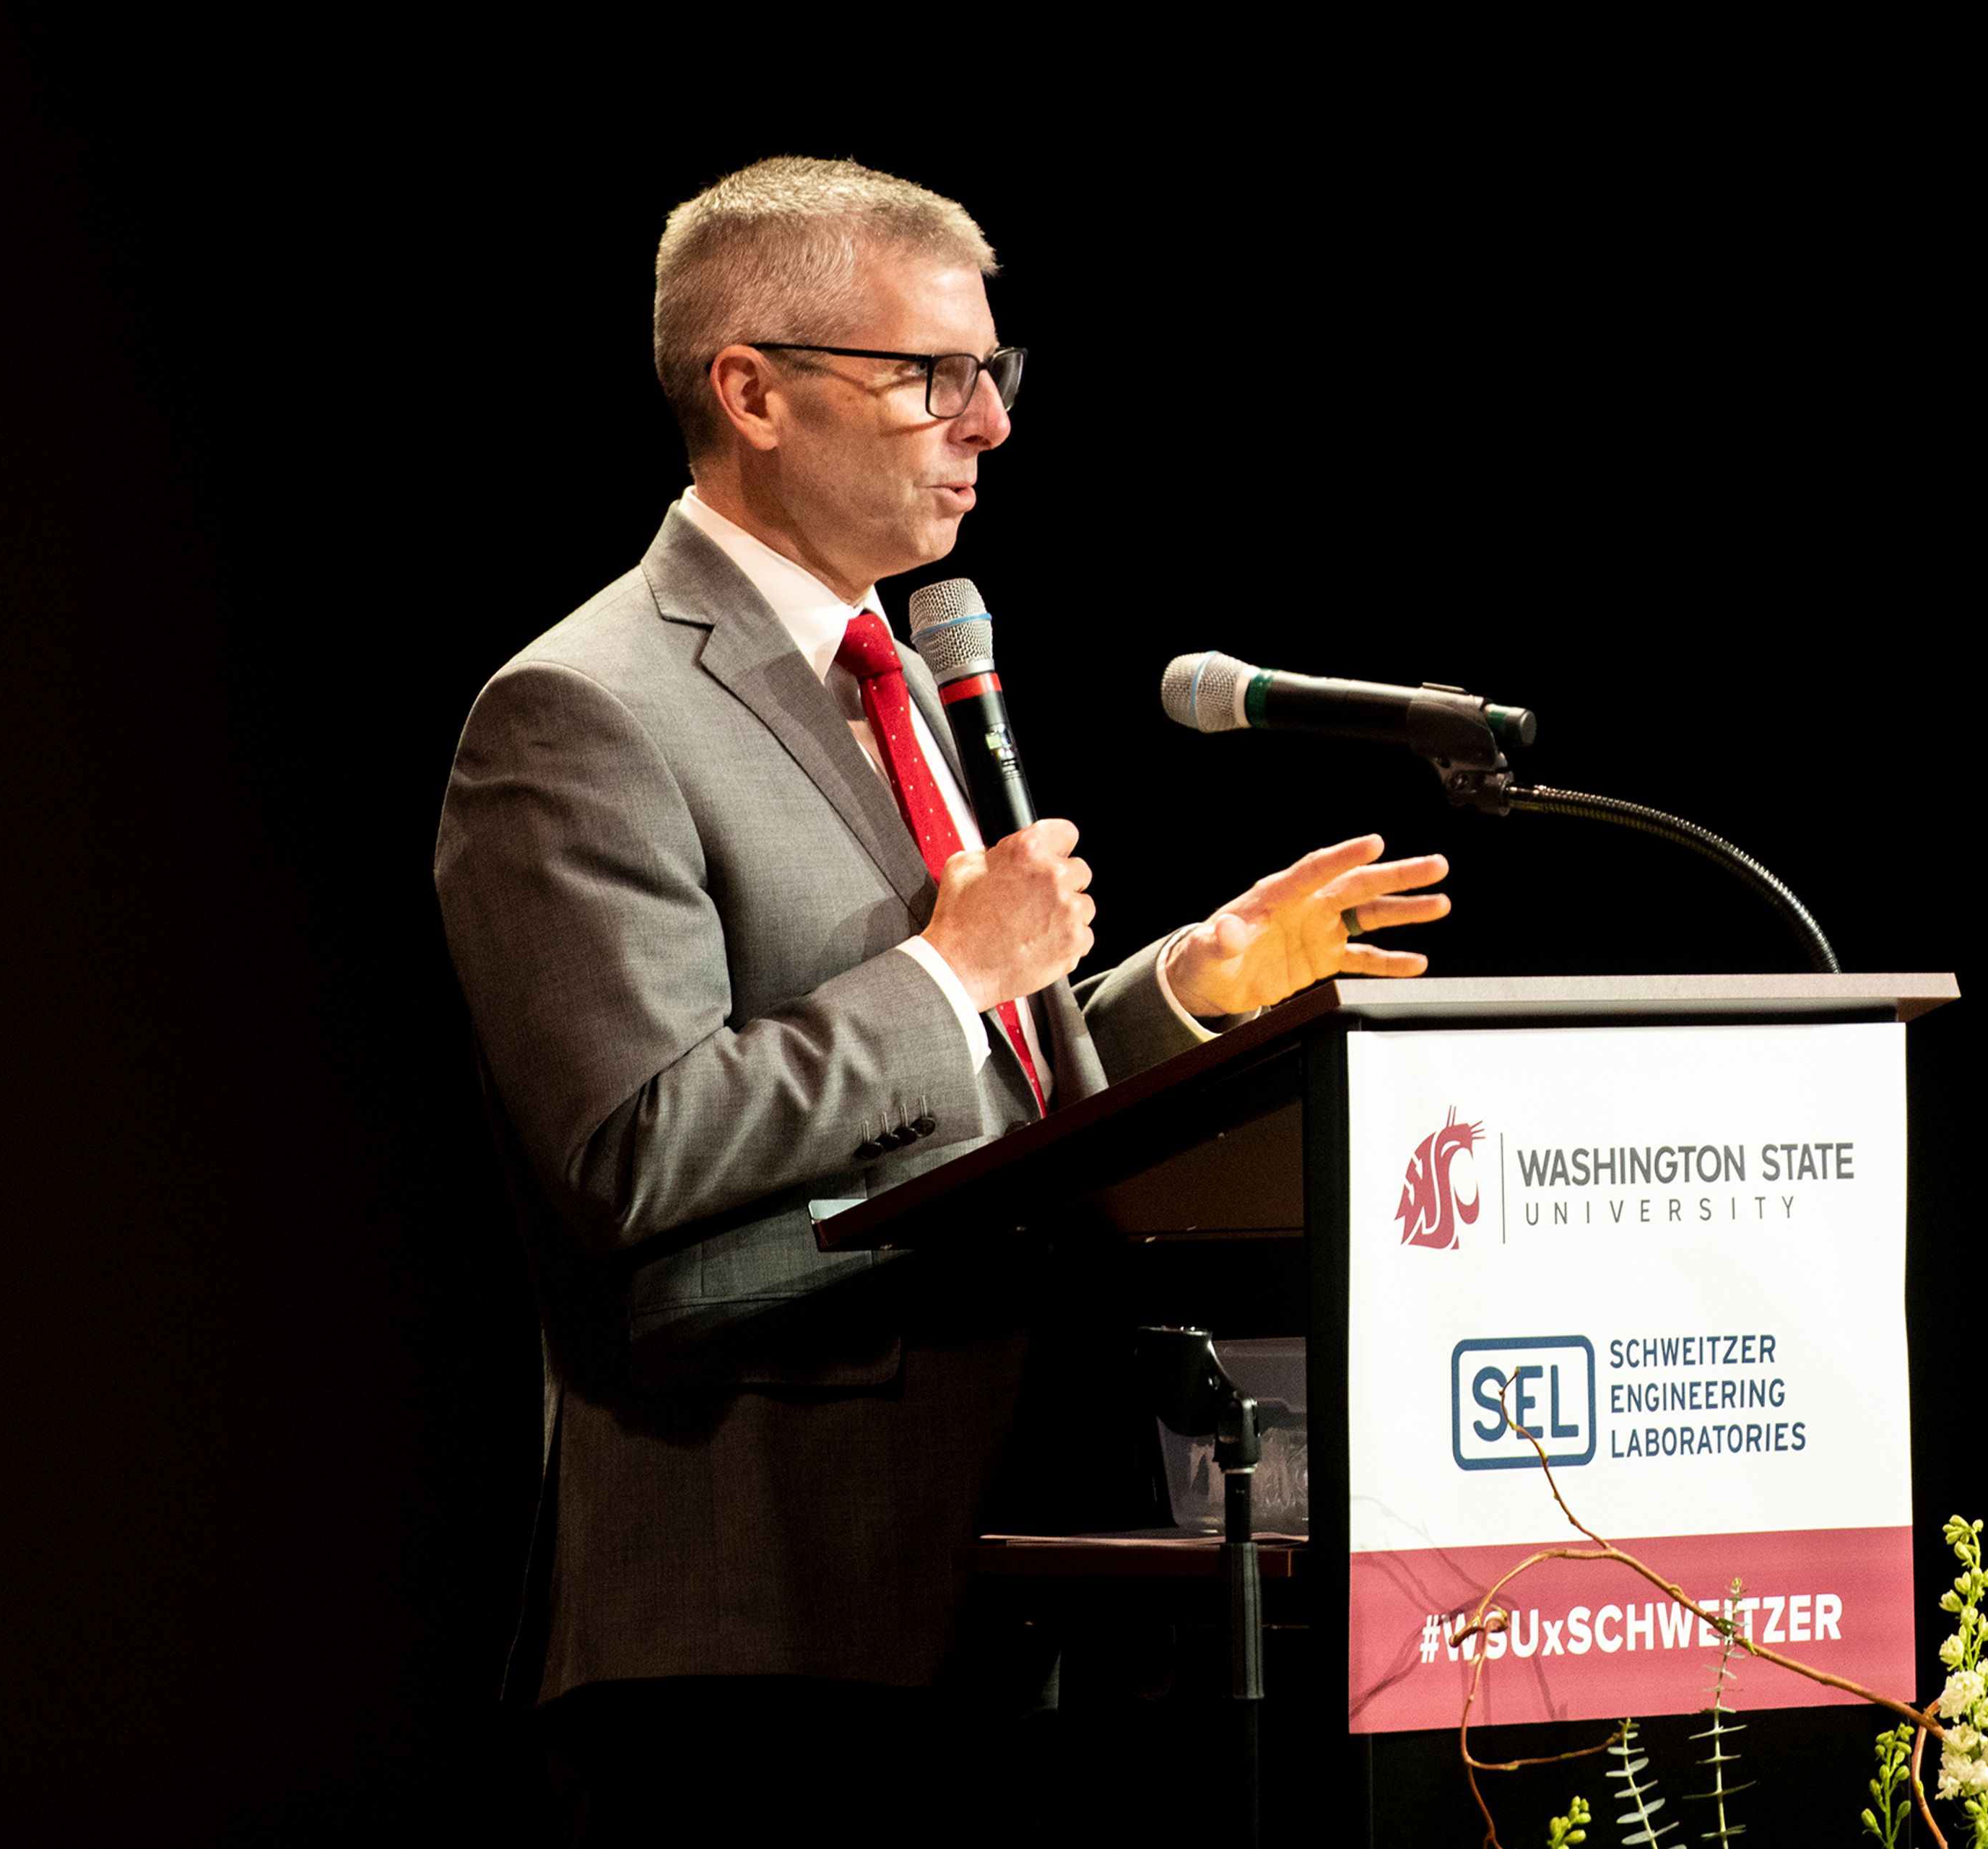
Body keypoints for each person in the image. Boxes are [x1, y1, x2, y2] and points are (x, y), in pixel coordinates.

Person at [433, 155, 1449, 1837]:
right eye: (929, 377)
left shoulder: (891, 667)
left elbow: (971, 1114)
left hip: (1024, 1577)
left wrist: (1168, 1002)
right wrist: (950, 969)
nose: (986, 424)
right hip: (764, 1615)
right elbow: (632, 1148)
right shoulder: (577, 711)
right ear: (750, 390)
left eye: (993, 372)